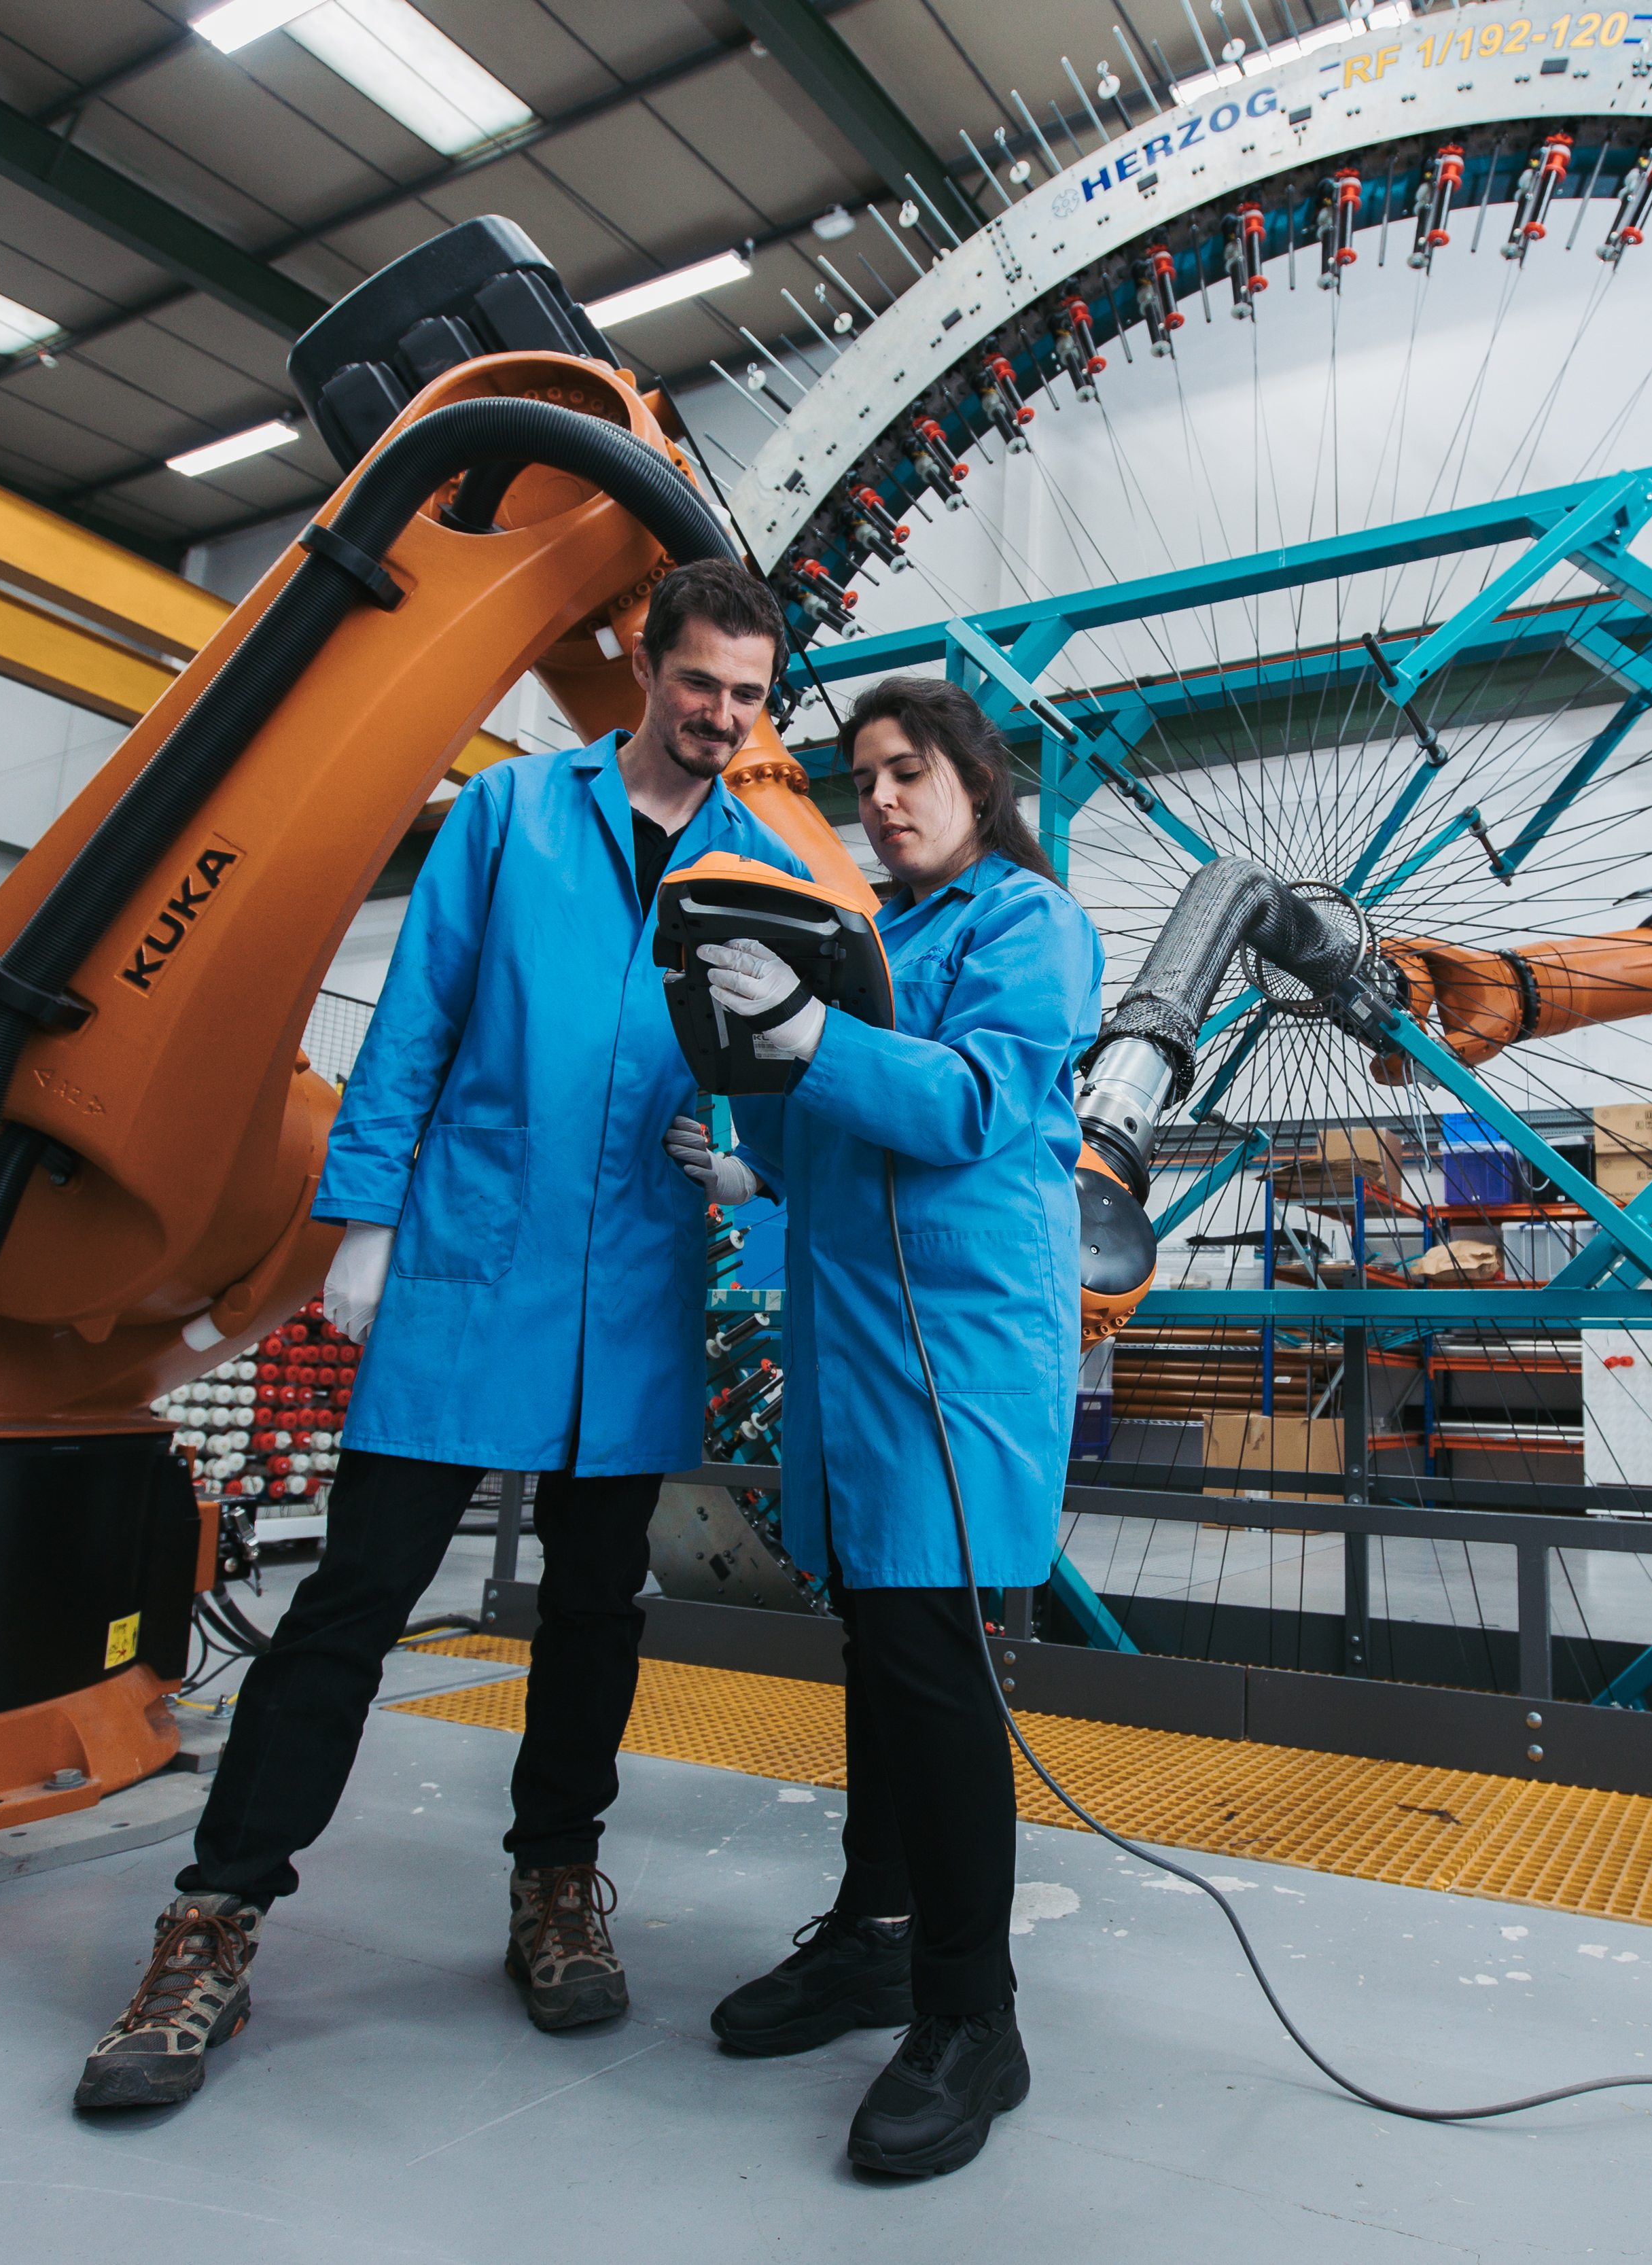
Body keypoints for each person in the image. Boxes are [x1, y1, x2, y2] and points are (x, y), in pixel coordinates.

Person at [76, 559, 815, 2111]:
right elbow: (416, 1014)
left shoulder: (758, 861)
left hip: (633, 1283)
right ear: (643, 658)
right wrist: (368, 1217)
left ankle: (555, 1882)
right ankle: (213, 1918)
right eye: (701, 684)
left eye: (749, 696)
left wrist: (752, 1160)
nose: (722, 716)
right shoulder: (510, 815)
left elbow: (771, 1058)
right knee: (355, 1597)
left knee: (598, 1608)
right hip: (470, 1261)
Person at [662, 675, 1103, 2177]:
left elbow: (971, 1103)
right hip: (852, 1343)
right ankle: (875, 1933)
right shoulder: (868, 936)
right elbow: (821, 1125)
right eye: (865, 780)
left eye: (910, 770)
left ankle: (976, 2013)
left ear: (977, 778)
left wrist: (807, 1033)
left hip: (964, 1347)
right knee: (876, 1638)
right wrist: (746, 1122)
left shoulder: (1025, 924)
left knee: (933, 1658)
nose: (886, 800)